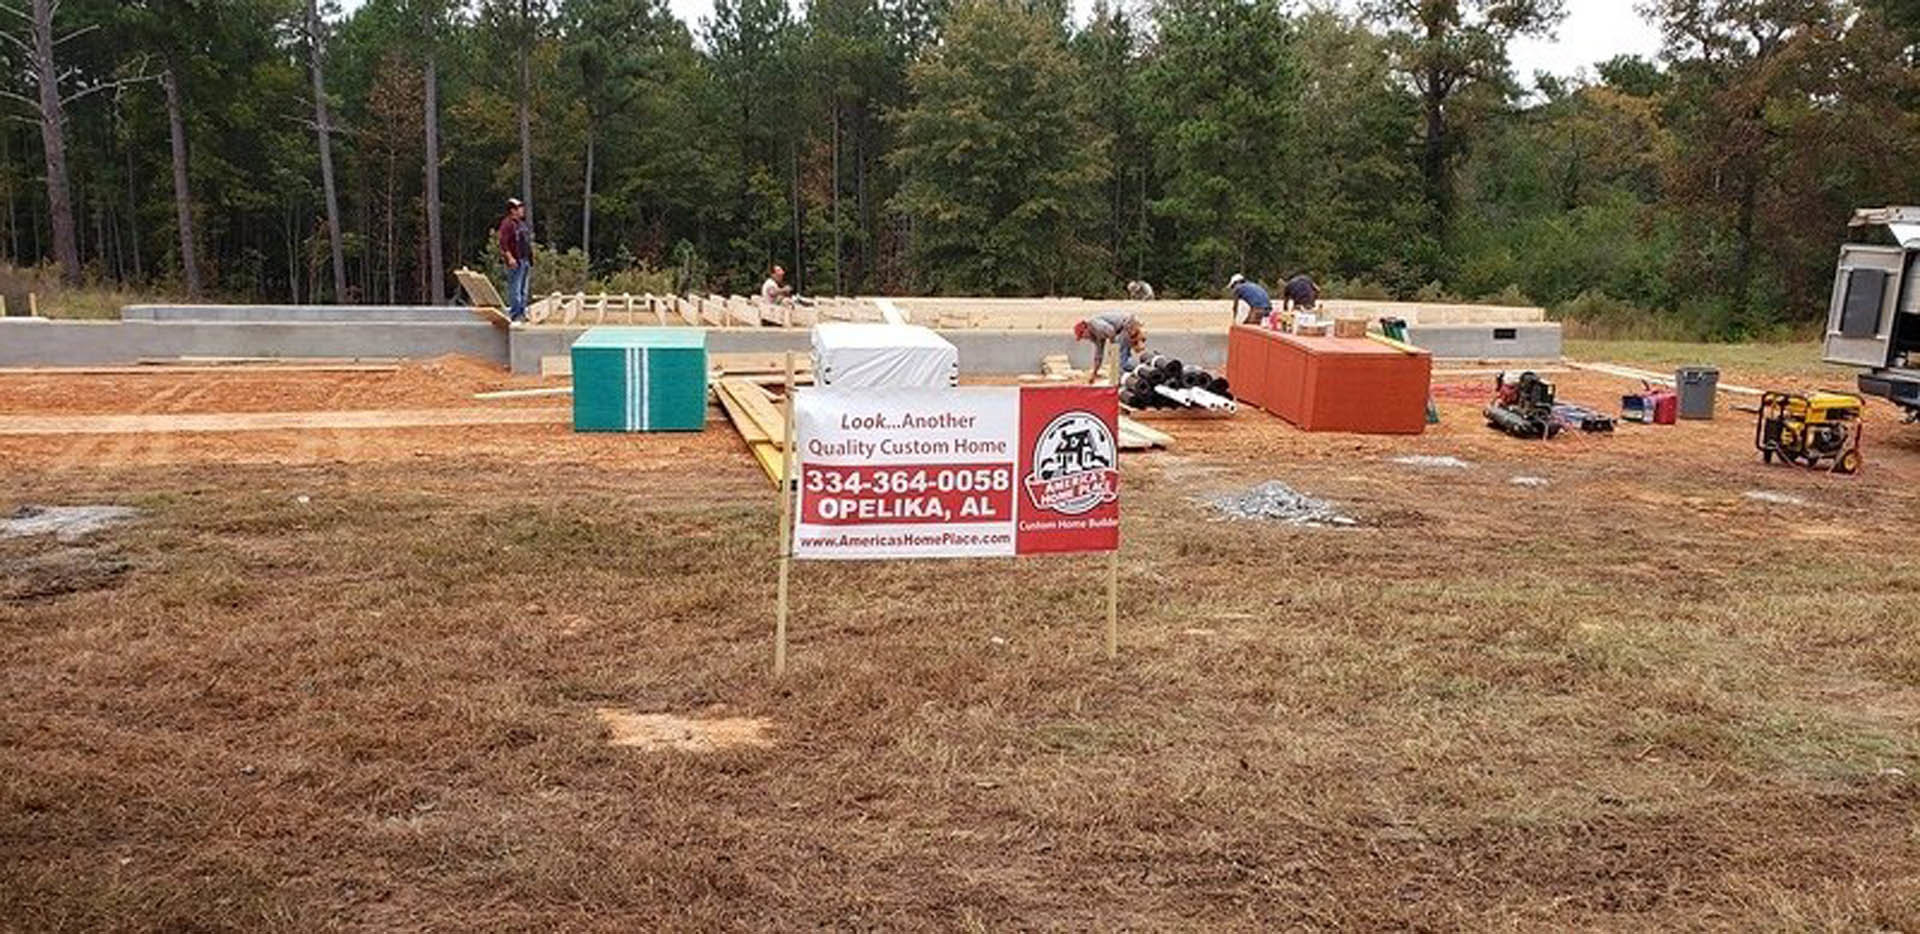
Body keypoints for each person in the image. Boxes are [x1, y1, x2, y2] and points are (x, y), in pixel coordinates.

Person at [1073, 311, 1145, 384]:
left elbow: (1111, 331)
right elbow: (1099, 355)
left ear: (1085, 330)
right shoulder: (1097, 336)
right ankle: (1136, 373)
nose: (1085, 338)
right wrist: (1094, 373)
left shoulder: (1095, 324)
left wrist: (1112, 346)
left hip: (1127, 325)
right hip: (1123, 328)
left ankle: (1142, 370)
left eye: (1083, 336)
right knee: (1122, 358)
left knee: (1120, 361)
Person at [497, 198, 533, 322]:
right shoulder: (507, 224)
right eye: (519, 208)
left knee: (524, 289)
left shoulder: (521, 224)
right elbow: (503, 243)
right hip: (516, 261)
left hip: (525, 260)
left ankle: (522, 312)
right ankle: (515, 314)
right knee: (515, 289)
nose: (522, 210)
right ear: (512, 210)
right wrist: (510, 257)